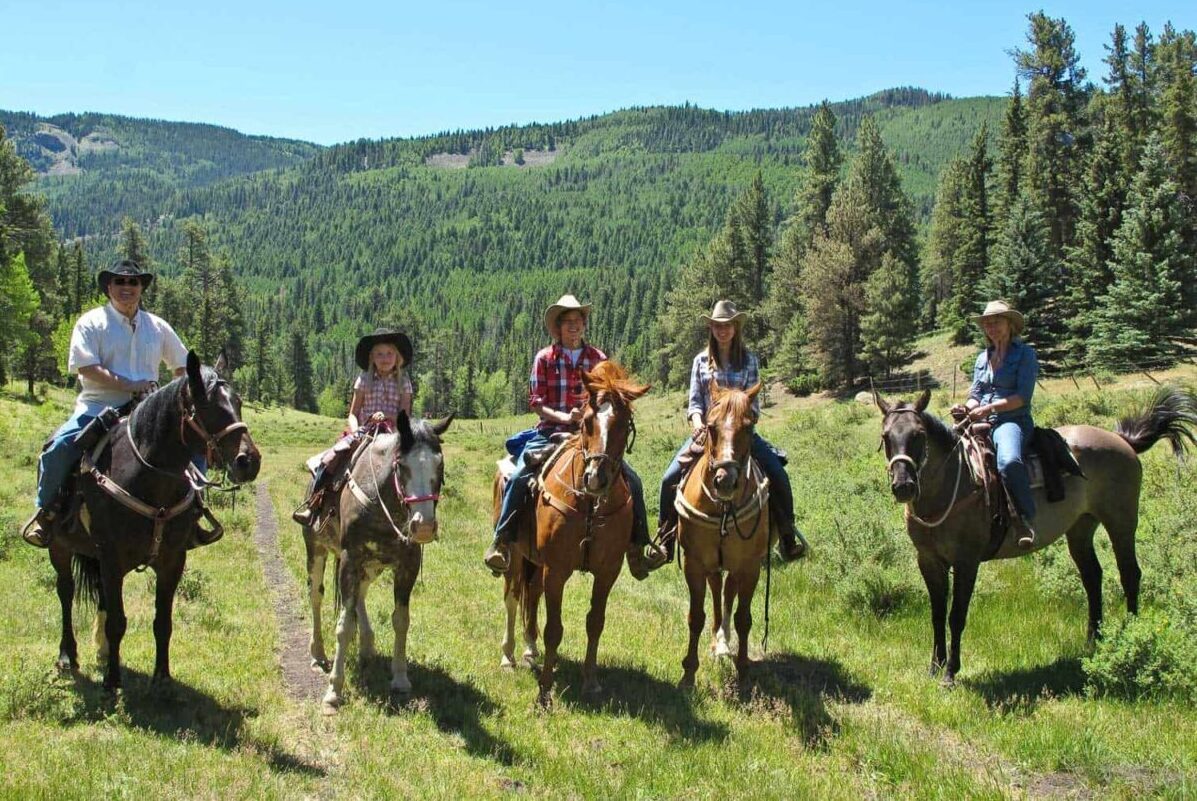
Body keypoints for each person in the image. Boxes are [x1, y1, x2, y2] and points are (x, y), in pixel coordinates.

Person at [482, 294, 667, 579]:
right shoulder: (544, 358)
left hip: (592, 436)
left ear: (584, 325)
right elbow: (535, 401)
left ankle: (638, 548)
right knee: (520, 474)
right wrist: (564, 417)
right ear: (557, 327)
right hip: (551, 431)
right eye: (567, 322)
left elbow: (611, 398)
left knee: (633, 482)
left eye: (578, 321)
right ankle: (502, 541)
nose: (573, 327)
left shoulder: (598, 359)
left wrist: (592, 415)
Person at [22, 259, 191, 547]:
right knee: (60, 448)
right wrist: (131, 385)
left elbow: (183, 366)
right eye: (120, 282)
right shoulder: (91, 322)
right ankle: (46, 512)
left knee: (192, 450)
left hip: (147, 412)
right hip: (99, 407)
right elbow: (85, 367)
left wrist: (169, 395)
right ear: (108, 287)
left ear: (141, 288)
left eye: (133, 282)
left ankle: (194, 515)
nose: (127, 287)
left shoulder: (157, 327)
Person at [657, 300, 808, 562]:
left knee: (778, 475)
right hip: (708, 434)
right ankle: (666, 541)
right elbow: (694, 403)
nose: (722, 330)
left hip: (740, 434)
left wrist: (741, 424)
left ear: (735, 327)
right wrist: (697, 425)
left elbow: (755, 407)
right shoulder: (700, 361)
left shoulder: (749, 361)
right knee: (669, 478)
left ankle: (787, 537)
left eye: (727, 325)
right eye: (717, 325)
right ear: (711, 328)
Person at [293, 328, 413, 527]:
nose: (385, 358)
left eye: (389, 353)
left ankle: (418, 514)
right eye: (379, 354)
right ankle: (314, 505)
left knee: (418, 462)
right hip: (365, 431)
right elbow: (353, 413)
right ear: (372, 358)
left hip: (394, 432)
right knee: (333, 457)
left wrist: (389, 417)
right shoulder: (364, 379)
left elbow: (405, 414)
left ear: (397, 357)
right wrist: (358, 429)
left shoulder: (404, 381)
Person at [951, 300, 1040, 548]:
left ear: (1010, 325)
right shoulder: (982, 358)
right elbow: (976, 393)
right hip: (980, 419)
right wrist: (966, 408)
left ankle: (1025, 519)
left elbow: (1023, 397)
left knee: (1008, 461)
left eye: (996, 322)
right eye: (987, 324)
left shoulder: (1025, 355)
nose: (991, 327)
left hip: (1012, 421)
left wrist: (988, 409)